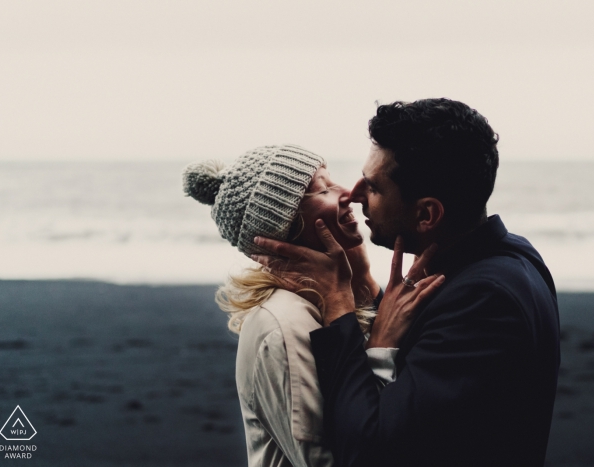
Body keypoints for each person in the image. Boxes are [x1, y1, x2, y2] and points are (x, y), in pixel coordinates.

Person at [252, 99, 561, 467]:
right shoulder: (514, 257)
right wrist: (368, 286)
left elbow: (368, 452)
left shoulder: (485, 300)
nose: (353, 196)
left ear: (426, 214)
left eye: (374, 187)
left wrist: (340, 305)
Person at [182, 144, 443, 467]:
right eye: (322, 189)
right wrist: (381, 346)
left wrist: (362, 281)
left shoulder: (336, 299)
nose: (347, 193)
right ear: (287, 228)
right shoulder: (283, 324)